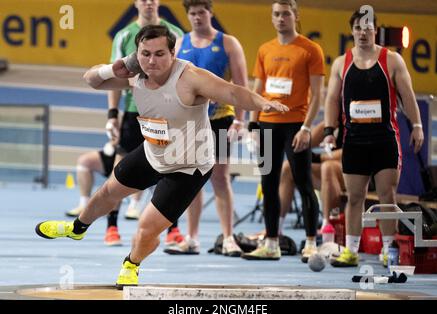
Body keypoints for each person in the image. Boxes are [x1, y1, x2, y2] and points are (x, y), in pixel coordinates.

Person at [35, 25, 288, 288]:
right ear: (137, 54)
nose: (152, 61)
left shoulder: (190, 77)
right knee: (106, 193)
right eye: (145, 54)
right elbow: (92, 80)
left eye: (159, 54)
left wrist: (261, 103)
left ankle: (131, 263)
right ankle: (77, 229)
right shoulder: (135, 75)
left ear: (172, 52)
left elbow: (233, 92)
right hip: (153, 153)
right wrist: (115, 68)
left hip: (188, 168)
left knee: (146, 228)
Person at [66, 0, 185, 247]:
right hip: (133, 112)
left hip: (165, 113)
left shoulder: (176, 34)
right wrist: (112, 115)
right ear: (136, 2)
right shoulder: (123, 36)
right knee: (120, 171)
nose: (148, 3)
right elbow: (114, 75)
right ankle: (112, 227)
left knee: (168, 169)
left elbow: (182, 73)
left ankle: (173, 229)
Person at [323, 9, 424, 267]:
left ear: (375, 30)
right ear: (352, 31)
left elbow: (408, 96)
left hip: (384, 141)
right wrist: (328, 131)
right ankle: (351, 250)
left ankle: (389, 249)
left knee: (387, 196)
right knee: (355, 197)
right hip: (354, 141)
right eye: (358, 28)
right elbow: (332, 99)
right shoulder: (340, 63)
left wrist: (417, 125)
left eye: (368, 27)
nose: (363, 32)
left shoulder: (391, 60)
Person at [242, 0, 325, 262]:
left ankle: (311, 242)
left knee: (304, 183)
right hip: (268, 124)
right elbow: (257, 90)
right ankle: (271, 242)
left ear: (295, 16)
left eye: (285, 14)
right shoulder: (265, 49)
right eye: (276, 14)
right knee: (268, 185)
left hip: (295, 126)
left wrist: (305, 128)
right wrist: (253, 125)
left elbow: (317, 96)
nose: (280, 19)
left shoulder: (310, 50)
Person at [163, 0, 247, 257]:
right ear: (187, 15)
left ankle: (229, 237)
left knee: (220, 179)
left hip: (221, 119)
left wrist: (240, 120)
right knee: (190, 179)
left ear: (210, 13)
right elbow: (171, 83)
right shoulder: (179, 44)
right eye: (192, 13)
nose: (197, 17)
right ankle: (192, 237)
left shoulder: (228, 43)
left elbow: (241, 86)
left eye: (201, 12)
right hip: (190, 122)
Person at [278, 121, 344, 236]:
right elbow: (315, 135)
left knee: (328, 168)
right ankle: (276, 228)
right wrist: (302, 139)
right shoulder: (337, 111)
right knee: (288, 168)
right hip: (332, 168)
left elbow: (353, 151)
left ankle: (327, 227)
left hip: (359, 171)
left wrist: (318, 157)